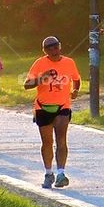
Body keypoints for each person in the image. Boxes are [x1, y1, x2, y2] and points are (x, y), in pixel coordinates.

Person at [24, 36, 81, 189]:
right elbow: (27, 84)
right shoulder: (40, 63)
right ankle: (49, 173)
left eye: (55, 47)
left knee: (61, 139)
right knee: (47, 142)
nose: (53, 50)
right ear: (45, 51)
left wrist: (75, 90)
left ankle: (61, 173)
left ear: (60, 47)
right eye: (49, 48)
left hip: (63, 105)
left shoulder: (69, 62)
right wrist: (42, 78)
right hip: (43, 107)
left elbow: (76, 79)